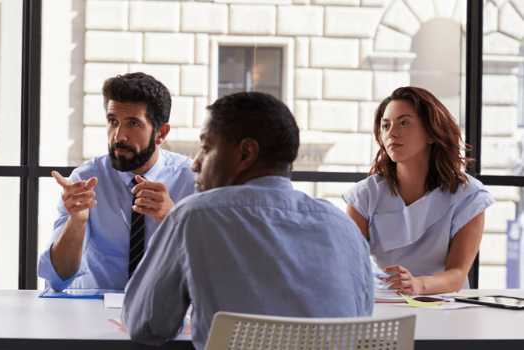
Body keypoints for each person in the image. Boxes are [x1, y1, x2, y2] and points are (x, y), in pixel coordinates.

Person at [122, 92, 373, 349]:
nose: (195, 165)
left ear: (245, 154)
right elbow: (361, 321)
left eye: (206, 149)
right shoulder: (345, 228)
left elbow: (146, 327)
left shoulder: (194, 216)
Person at [38, 72, 195, 291]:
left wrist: (173, 219)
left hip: (166, 314)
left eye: (133, 124)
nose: (118, 136)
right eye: (113, 121)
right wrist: (76, 221)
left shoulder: (192, 180)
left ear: (161, 133)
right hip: (96, 312)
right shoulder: (86, 181)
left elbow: (214, 268)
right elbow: (57, 280)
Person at [344, 86, 493, 295]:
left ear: (431, 133)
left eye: (403, 123)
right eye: (385, 126)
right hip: (383, 304)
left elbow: (458, 274)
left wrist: (418, 284)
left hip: (445, 306)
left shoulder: (469, 196)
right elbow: (347, 266)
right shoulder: (364, 195)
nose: (391, 133)